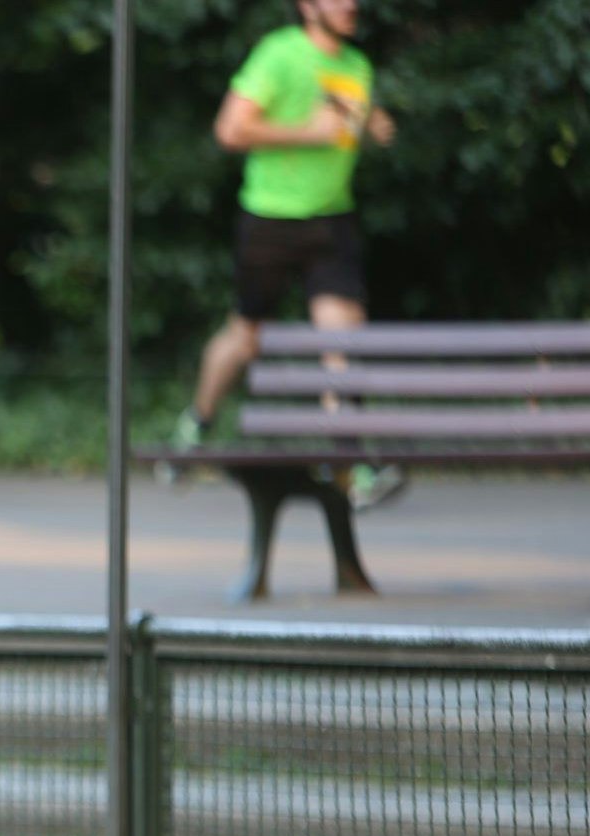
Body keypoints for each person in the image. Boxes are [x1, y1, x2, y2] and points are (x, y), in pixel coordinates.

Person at [168, 0, 401, 507]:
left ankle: (349, 463)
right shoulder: (278, 54)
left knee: (343, 339)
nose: (351, 5)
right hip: (270, 219)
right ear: (307, 5)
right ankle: (197, 422)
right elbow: (230, 130)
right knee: (246, 337)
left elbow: (347, 121)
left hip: (332, 219)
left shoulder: (356, 66)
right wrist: (307, 133)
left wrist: (373, 125)